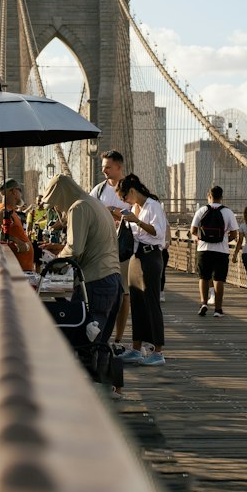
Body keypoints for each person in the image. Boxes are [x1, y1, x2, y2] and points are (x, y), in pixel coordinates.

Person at [42, 174, 123, 346]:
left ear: (62, 195)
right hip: (112, 278)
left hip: (94, 280)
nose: (56, 207)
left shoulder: (78, 208)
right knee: (99, 340)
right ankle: (101, 371)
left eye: (56, 202)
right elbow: (92, 243)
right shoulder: (95, 204)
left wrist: (53, 264)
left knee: (83, 339)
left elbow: (75, 249)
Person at [116, 173, 168, 366]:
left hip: (151, 256)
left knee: (152, 303)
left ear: (132, 191)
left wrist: (136, 221)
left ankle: (158, 352)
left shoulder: (153, 205)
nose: (124, 201)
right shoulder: (134, 207)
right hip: (136, 258)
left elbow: (158, 231)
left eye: (124, 197)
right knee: (136, 302)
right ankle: (136, 348)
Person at [90, 151, 133, 343]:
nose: (104, 171)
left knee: (123, 293)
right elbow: (88, 210)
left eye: (108, 167)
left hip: (122, 246)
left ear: (119, 167)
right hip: (100, 247)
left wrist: (112, 211)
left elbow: (138, 212)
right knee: (103, 289)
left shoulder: (131, 188)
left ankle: (119, 337)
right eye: (102, 167)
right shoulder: (98, 190)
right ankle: (102, 333)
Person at [191, 186, 241, 317]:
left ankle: (203, 303)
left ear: (209, 196)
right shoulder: (228, 212)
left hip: (203, 249)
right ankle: (218, 310)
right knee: (219, 279)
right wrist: (224, 240)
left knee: (203, 277)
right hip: (221, 250)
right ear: (221, 197)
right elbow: (235, 233)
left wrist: (201, 239)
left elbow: (193, 230)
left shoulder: (201, 210)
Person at [0, 179, 35, 272]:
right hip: (18, 270)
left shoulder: (10, 211)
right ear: (13, 191)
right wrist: (17, 241)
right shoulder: (3, 212)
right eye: (19, 190)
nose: (21, 193)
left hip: (23, 268)